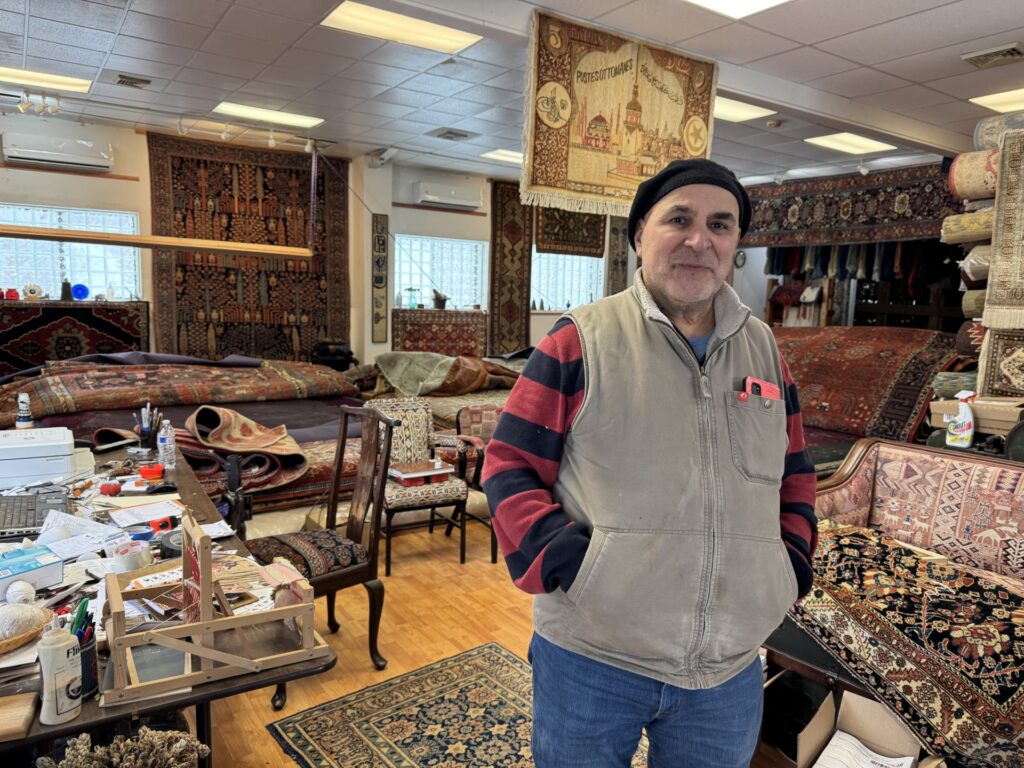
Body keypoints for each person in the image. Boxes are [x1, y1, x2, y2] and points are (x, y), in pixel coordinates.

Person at [482, 158, 817, 767]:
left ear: (735, 244)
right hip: (593, 657)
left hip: (727, 669)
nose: (699, 240)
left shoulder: (765, 350)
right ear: (640, 235)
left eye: (720, 225)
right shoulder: (579, 341)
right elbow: (508, 465)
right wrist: (568, 562)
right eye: (679, 220)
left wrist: (789, 564)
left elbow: (794, 473)